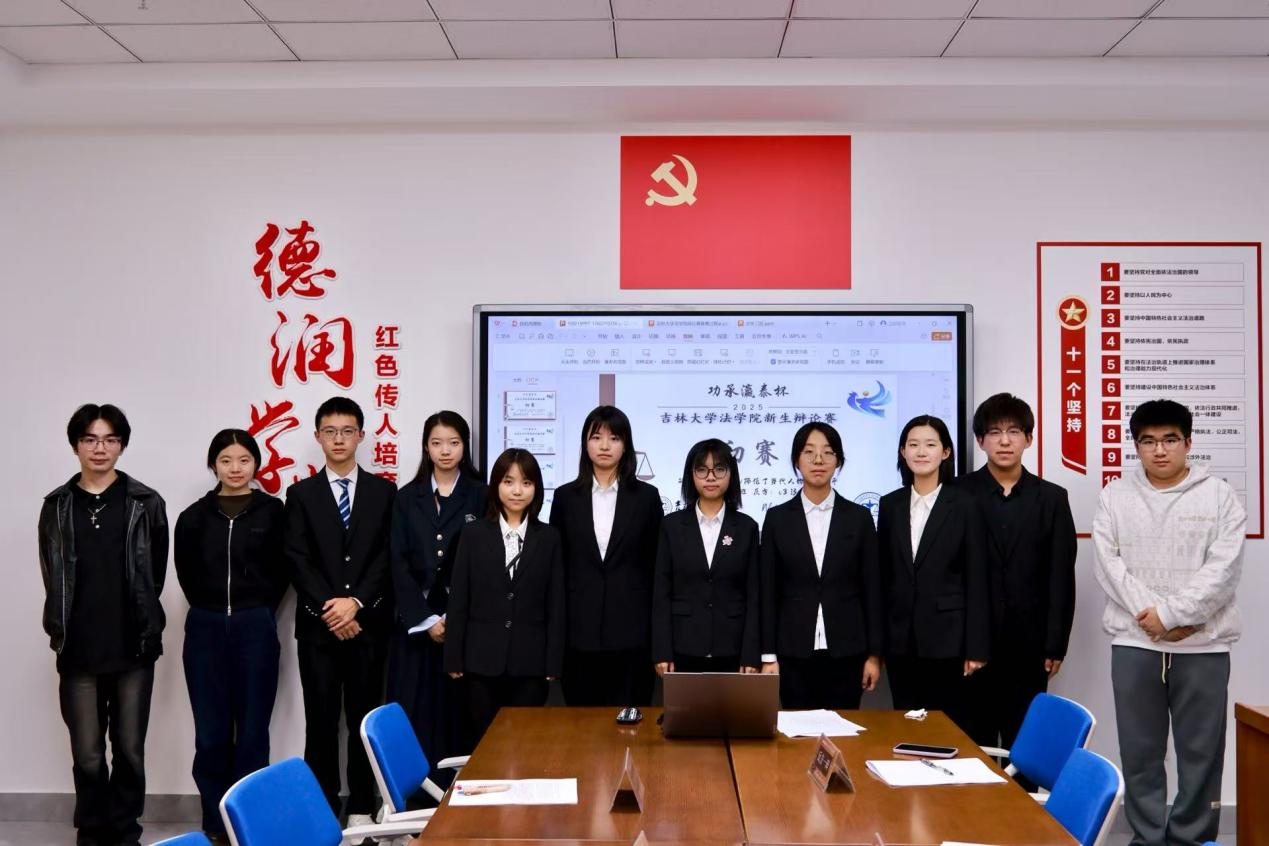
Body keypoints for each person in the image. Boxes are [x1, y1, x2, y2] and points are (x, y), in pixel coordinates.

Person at [1093, 399, 1243, 846]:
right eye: (1149, 441)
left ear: (1188, 443)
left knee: (1201, 754)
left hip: (1204, 647)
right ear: (1136, 446)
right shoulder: (1115, 495)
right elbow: (1109, 566)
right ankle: (1147, 838)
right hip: (1135, 645)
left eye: (1170, 440)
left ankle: (1192, 839)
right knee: (1140, 752)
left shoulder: (1219, 495)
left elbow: (1224, 569)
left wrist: (1174, 616)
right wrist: (1156, 619)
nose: (1159, 450)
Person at [38, 404, 168, 846]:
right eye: (90, 439)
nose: (100, 448)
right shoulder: (56, 505)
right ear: (76, 445)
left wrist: (143, 622)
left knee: (129, 750)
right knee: (88, 753)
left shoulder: (146, 503)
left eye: (110, 439)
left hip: (133, 647)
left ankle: (125, 833)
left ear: (122, 445)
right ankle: (92, 834)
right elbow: (52, 573)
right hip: (78, 648)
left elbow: (155, 573)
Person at [285, 397, 396, 828]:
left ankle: (364, 808)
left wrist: (357, 604)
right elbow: (297, 558)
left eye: (347, 431)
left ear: (361, 436)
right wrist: (331, 609)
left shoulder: (384, 492)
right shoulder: (300, 495)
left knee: (364, 721)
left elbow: (387, 556)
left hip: (368, 627)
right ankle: (323, 810)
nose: (338, 439)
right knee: (321, 723)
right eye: (330, 432)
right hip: (319, 631)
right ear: (317, 437)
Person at [173, 429, 287, 843]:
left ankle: (250, 823)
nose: (235, 468)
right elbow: (186, 573)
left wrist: (256, 610)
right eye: (225, 460)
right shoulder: (193, 517)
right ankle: (216, 825)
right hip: (204, 629)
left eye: (243, 460)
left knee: (253, 733)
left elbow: (282, 572)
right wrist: (211, 609)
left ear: (256, 463)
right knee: (211, 735)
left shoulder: (273, 512)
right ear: (213, 465)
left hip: (255, 627)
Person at [959, 394, 1076, 754]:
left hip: (1030, 646)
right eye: (995, 432)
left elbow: (1061, 577)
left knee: (1023, 750)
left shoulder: (1052, 498)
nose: (1005, 441)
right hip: (971, 645)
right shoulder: (957, 495)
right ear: (980, 441)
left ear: (1029, 438)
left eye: (1014, 432)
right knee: (973, 747)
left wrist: (1055, 644)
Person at [760, 422, 883, 709]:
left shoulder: (859, 518)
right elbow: (768, 591)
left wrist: (874, 655)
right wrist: (768, 656)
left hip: (847, 651)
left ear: (838, 461)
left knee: (844, 729)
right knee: (797, 731)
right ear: (796, 460)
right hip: (792, 652)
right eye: (809, 452)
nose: (819, 460)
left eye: (828, 452)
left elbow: (872, 589)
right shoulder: (777, 519)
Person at [444, 448, 565, 741]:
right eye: (508, 482)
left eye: (526, 483)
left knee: (525, 743)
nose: (517, 491)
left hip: (531, 664)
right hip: (480, 662)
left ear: (536, 489)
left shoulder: (549, 537)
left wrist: (553, 661)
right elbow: (459, 598)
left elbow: (556, 604)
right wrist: (453, 657)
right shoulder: (473, 534)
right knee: (484, 742)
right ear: (496, 485)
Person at [877, 415, 988, 732]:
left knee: (946, 731)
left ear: (946, 452)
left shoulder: (965, 505)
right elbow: (884, 576)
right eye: (913, 445)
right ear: (903, 452)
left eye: (930, 444)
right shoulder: (890, 505)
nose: (921, 452)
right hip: (901, 644)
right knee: (906, 728)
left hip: (949, 642)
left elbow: (978, 578)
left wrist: (977, 647)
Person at [388, 411, 484, 776]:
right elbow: (397, 563)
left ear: (465, 447)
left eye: (454, 443)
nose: (445, 451)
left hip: (465, 621)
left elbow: (484, 562)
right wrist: (426, 620)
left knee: (459, 713)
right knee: (414, 712)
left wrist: (453, 617)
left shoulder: (481, 494)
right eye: (437, 443)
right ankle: (415, 798)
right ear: (426, 447)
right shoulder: (406, 497)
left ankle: (455, 795)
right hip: (416, 623)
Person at [549, 406, 663, 706]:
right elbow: (557, 568)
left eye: (614, 438)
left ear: (626, 445)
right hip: (578, 635)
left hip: (632, 635)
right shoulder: (565, 497)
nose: (604, 445)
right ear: (585, 443)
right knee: (581, 724)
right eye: (596, 437)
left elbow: (657, 567)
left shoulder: (647, 497)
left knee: (630, 724)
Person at [652, 439, 761, 675]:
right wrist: (662, 650)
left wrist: (751, 653)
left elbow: (754, 595)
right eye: (702, 469)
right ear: (691, 475)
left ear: (731, 474)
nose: (710, 477)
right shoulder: (671, 526)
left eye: (719, 469)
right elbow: (661, 591)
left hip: (732, 649)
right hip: (683, 646)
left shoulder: (747, 528)